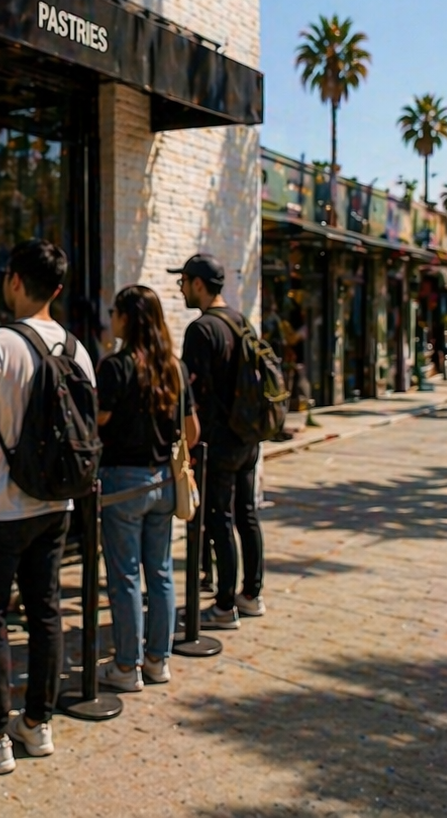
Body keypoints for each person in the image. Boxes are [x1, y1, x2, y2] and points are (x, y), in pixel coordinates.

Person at [0, 239, 95, 775]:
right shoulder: (78, 349)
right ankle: (38, 723)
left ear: (13, 280)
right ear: (55, 288)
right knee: (45, 611)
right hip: (55, 502)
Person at [95, 286, 198, 692]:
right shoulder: (172, 367)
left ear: (127, 318)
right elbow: (192, 430)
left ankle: (127, 665)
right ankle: (158, 659)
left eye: (114, 311)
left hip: (124, 480)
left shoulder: (115, 367)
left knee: (124, 577)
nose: (110, 318)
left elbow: (98, 421)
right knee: (160, 573)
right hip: (164, 481)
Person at [172, 253, 265, 631]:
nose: (180, 289)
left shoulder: (202, 329)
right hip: (248, 436)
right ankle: (251, 593)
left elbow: (188, 393)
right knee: (246, 514)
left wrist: (188, 441)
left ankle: (224, 605)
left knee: (219, 520)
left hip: (216, 440)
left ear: (198, 284)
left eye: (183, 282)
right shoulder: (242, 323)